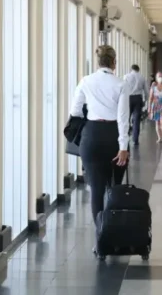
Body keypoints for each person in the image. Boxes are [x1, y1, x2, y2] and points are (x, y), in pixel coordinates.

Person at [69, 45, 129, 246]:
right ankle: (116, 232)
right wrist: (123, 147)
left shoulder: (86, 81)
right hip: (113, 137)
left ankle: (101, 237)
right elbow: (123, 118)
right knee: (114, 187)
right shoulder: (121, 84)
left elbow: (75, 110)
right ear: (114, 62)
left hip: (92, 136)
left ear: (98, 61)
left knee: (95, 188)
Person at [123, 64, 147, 146]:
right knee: (136, 120)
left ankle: (125, 137)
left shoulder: (126, 76)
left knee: (126, 118)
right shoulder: (142, 77)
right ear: (138, 69)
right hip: (138, 99)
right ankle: (135, 140)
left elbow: (123, 88)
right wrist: (145, 100)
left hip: (128, 98)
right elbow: (146, 90)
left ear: (131, 69)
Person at [148, 72, 162, 143]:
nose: (160, 77)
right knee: (157, 122)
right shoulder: (153, 87)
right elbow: (150, 98)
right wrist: (149, 108)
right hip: (155, 106)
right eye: (159, 76)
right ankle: (159, 137)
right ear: (156, 78)